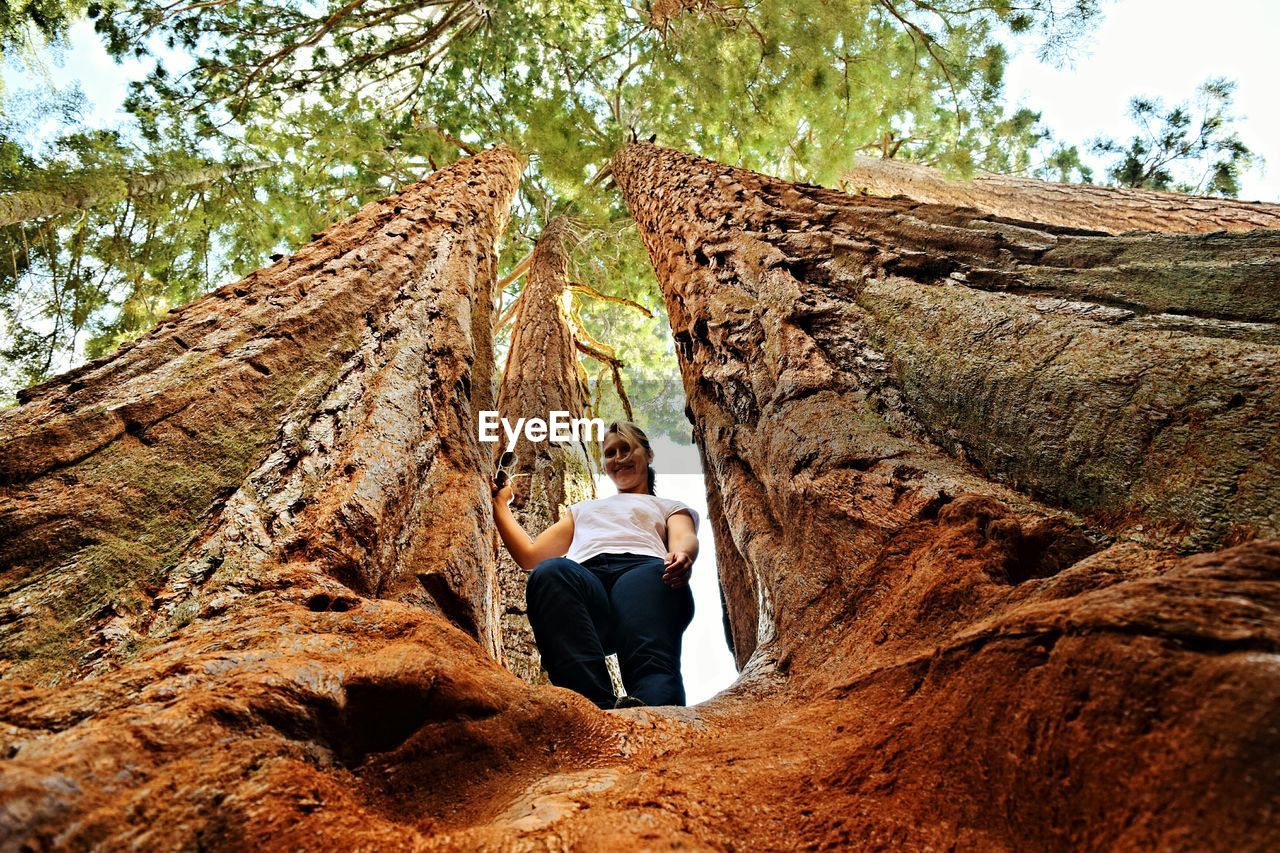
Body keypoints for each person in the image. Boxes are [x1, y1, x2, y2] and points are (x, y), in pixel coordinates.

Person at [491, 421, 699, 709]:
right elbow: (530, 555)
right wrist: (500, 505)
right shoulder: (583, 509)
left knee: (650, 662)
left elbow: (684, 536)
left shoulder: (668, 506)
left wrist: (682, 555)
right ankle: (593, 708)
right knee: (549, 572)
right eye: (610, 453)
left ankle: (661, 720)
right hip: (587, 583)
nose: (618, 458)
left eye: (626, 449)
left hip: (643, 573)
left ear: (649, 455)